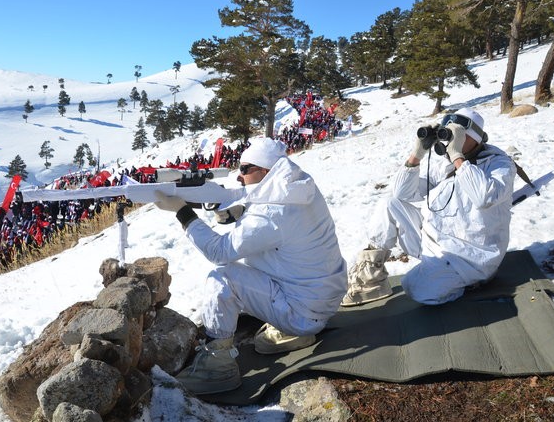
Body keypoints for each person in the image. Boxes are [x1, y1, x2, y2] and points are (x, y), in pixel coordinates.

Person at [154, 136, 347, 395]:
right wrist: (240, 213)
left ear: (265, 171)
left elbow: (219, 251)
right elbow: (274, 218)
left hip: (302, 311)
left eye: (245, 169)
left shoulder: (272, 214)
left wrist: (183, 212)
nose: (239, 176)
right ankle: (297, 331)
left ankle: (217, 367)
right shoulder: (297, 188)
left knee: (221, 278)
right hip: (322, 298)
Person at [341, 108, 516, 307]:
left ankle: (466, 283)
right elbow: (401, 194)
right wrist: (417, 154)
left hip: (470, 258)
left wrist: (458, 157)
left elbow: (484, 197)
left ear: (474, 138)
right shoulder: (444, 164)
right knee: (389, 204)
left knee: (414, 287)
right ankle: (372, 281)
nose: (448, 142)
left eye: (456, 136)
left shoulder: (500, 165)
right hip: (437, 241)